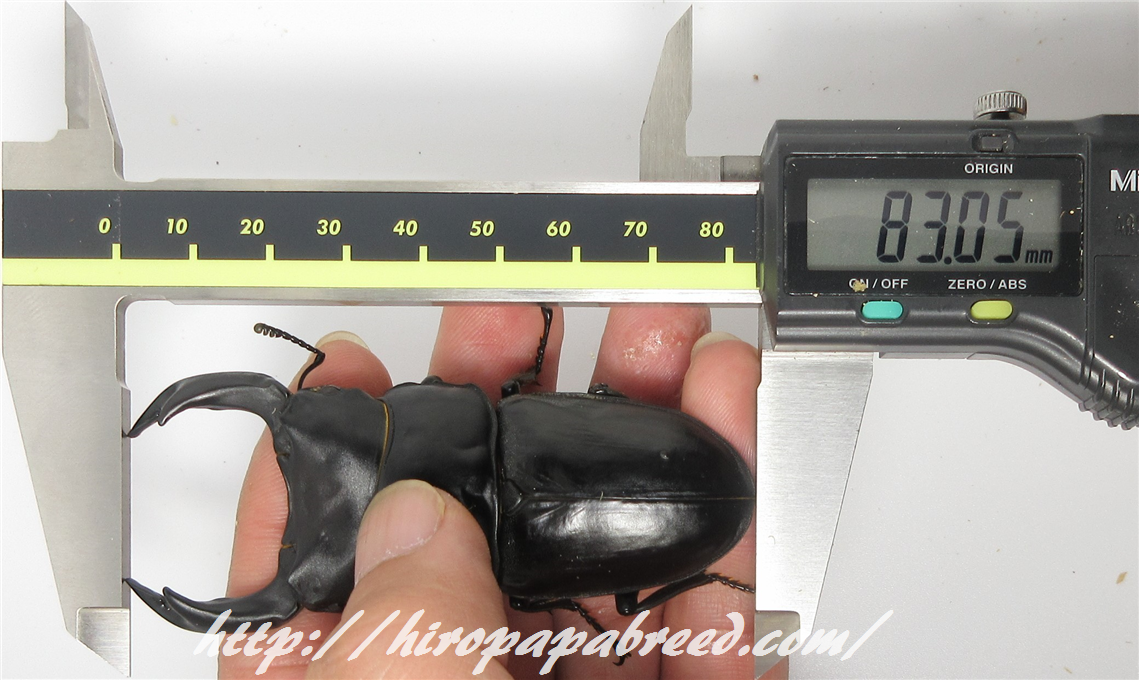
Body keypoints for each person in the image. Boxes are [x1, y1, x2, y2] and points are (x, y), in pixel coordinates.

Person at [216, 306, 764, 680]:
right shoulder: (511, 411)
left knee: (619, 601)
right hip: (687, 471)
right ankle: (713, 578)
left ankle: (712, 577)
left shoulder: (519, 581)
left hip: (677, 512)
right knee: (611, 393)